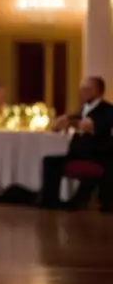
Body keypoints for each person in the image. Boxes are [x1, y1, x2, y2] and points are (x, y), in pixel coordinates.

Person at [41, 76, 113, 210]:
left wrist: (70, 121)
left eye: (88, 89)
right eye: (82, 89)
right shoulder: (82, 110)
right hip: (77, 154)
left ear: (99, 92)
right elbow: (56, 126)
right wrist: (61, 122)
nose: (82, 92)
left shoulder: (108, 110)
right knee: (50, 161)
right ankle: (49, 202)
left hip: (96, 157)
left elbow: (90, 126)